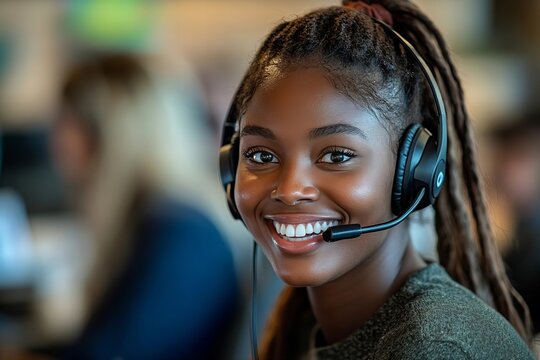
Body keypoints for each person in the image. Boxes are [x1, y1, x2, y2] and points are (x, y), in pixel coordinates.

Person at [220, 1, 535, 359]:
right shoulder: (303, 323)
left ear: (415, 172)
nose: (290, 189)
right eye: (262, 156)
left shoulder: (433, 348)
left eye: (337, 156)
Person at [50, 54, 239, 360]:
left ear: (107, 135)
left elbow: (104, 353)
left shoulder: (180, 232)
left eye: (65, 121)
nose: (56, 140)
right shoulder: (155, 219)